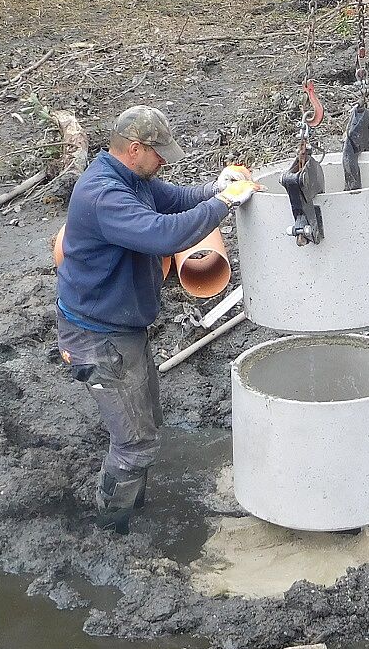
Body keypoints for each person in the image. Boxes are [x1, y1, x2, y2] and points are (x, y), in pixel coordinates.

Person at [55, 104, 256, 534]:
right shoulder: (104, 195)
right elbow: (165, 234)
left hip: (121, 327)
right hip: (98, 335)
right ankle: (111, 531)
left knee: (145, 424)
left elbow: (175, 198)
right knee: (134, 441)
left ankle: (131, 511)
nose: (164, 161)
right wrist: (223, 204)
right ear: (133, 149)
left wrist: (212, 188)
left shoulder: (133, 178)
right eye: (158, 153)